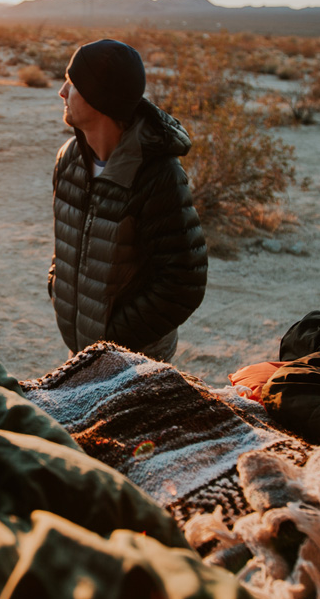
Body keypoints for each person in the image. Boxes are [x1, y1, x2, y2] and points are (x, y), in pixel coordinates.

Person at [48, 39, 208, 361]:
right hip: (81, 347)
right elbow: (66, 242)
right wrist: (58, 287)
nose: (62, 92)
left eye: (73, 83)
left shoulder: (156, 174)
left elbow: (183, 281)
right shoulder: (69, 160)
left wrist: (115, 337)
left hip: (134, 358)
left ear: (100, 99)